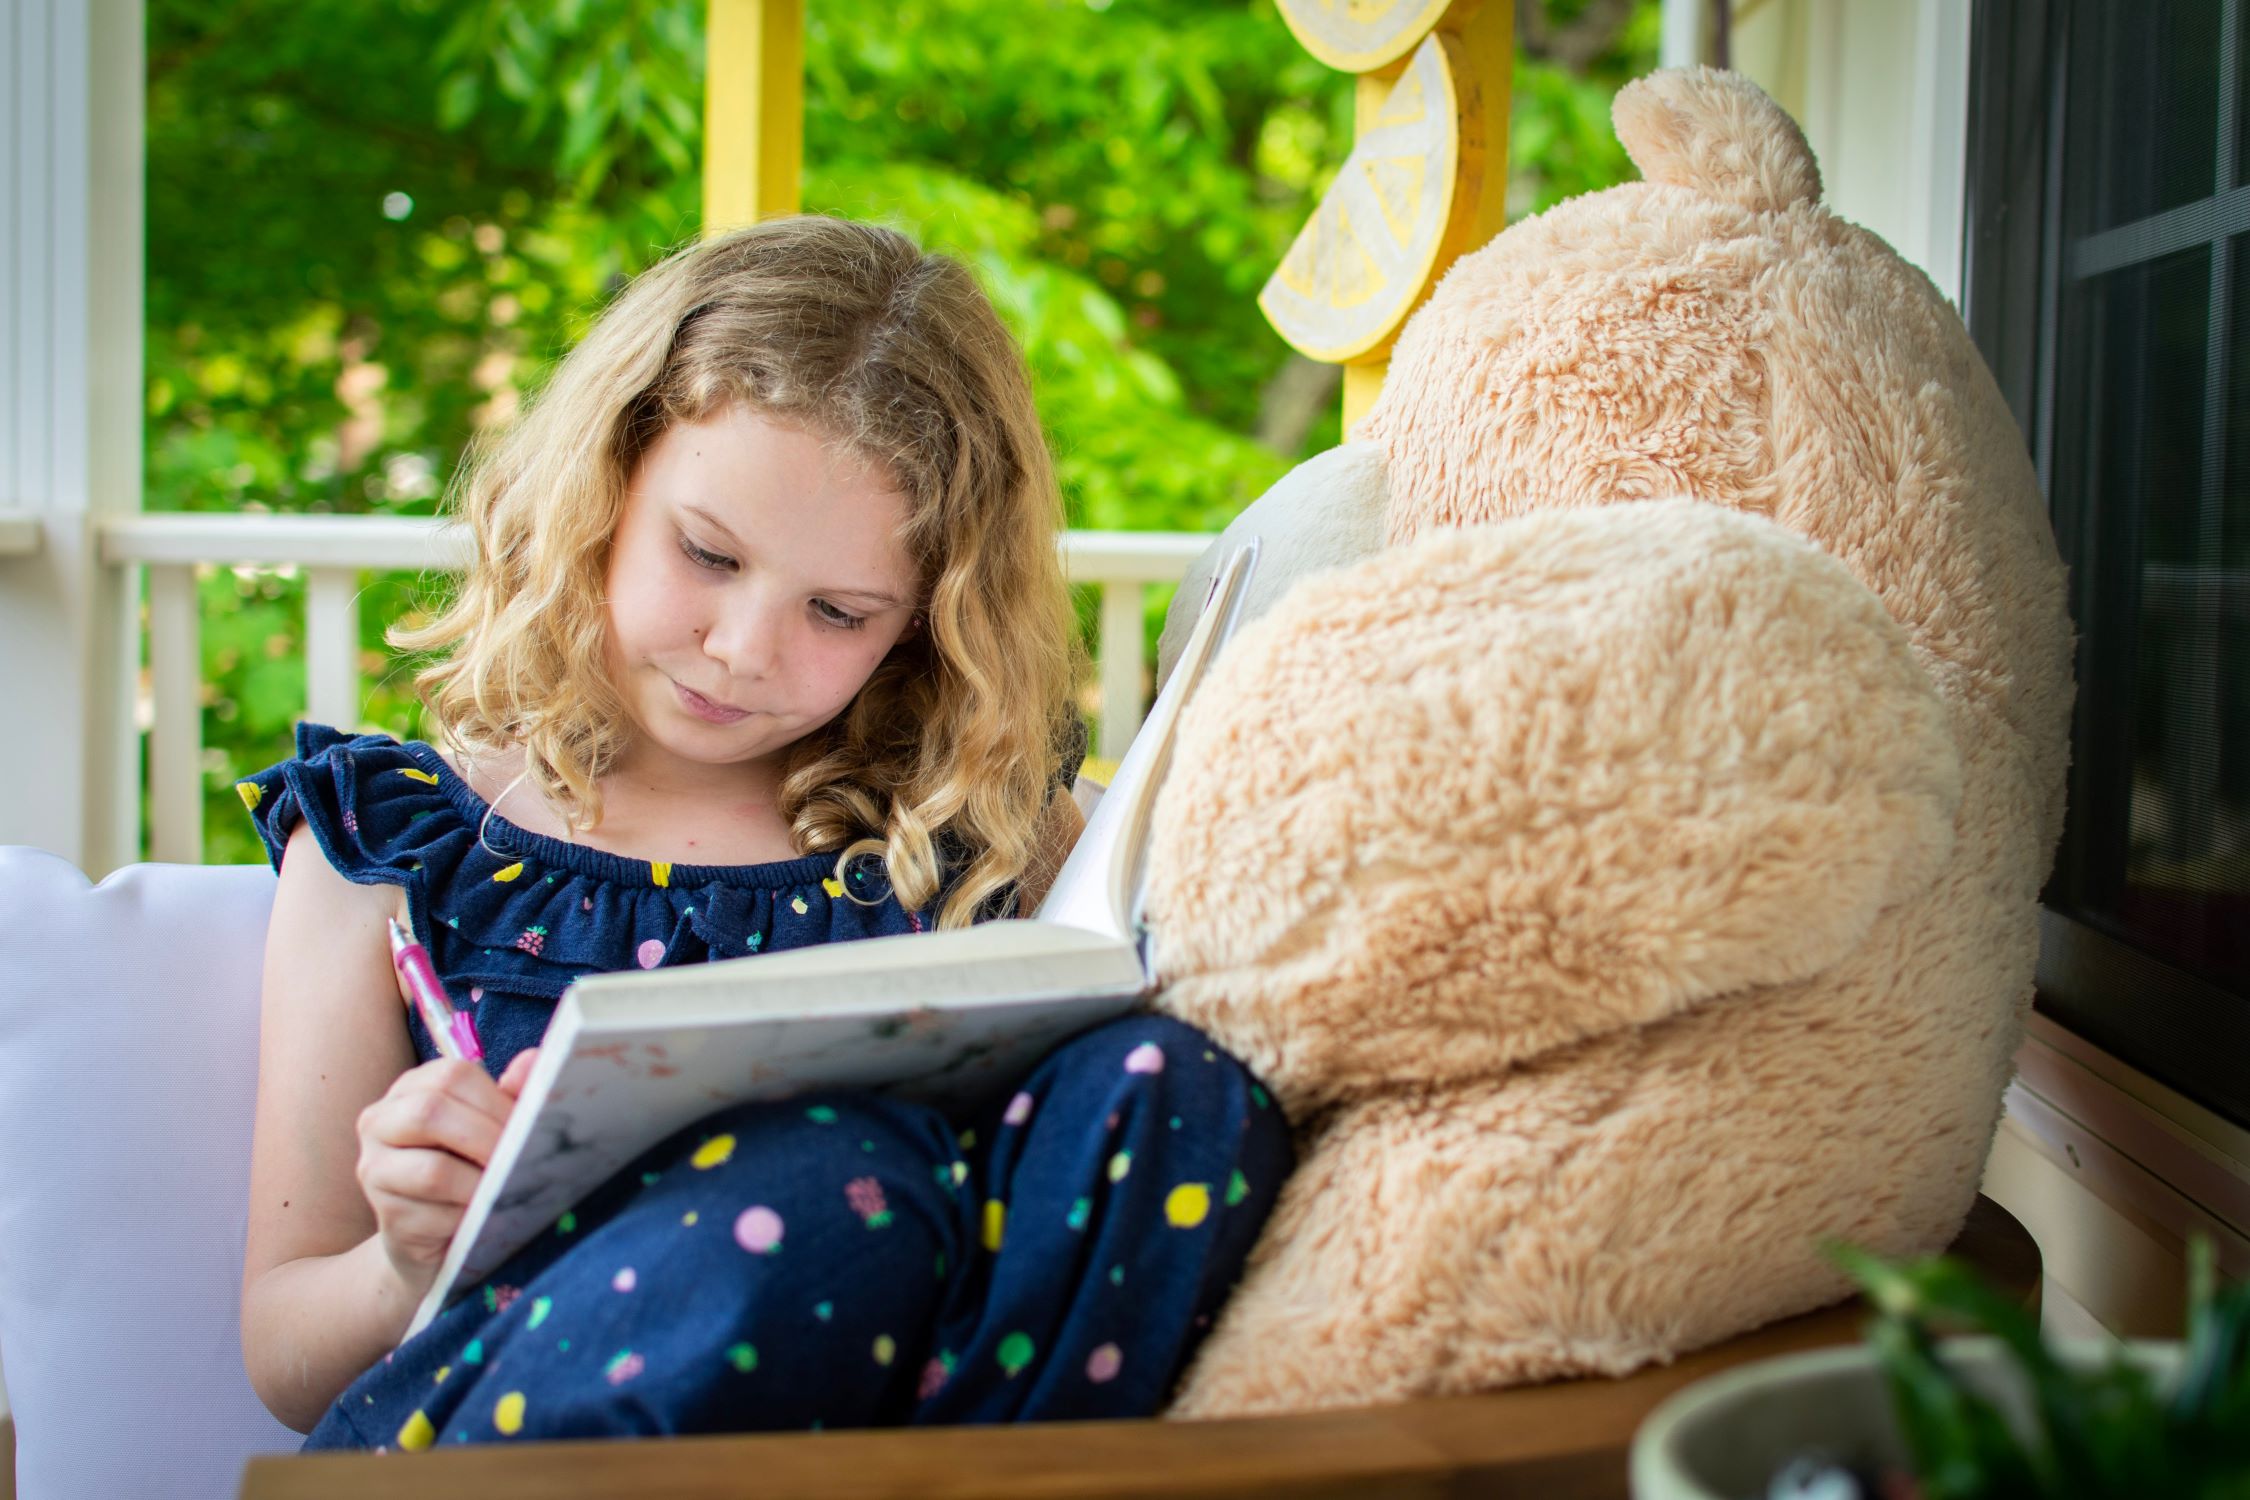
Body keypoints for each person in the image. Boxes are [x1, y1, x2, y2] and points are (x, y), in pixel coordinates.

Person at [235, 216, 1291, 1449]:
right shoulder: (400, 846)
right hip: (492, 1440)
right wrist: (404, 1264)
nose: (744, 651)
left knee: (1182, 1091)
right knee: (822, 1185)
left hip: (896, 1433)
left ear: (919, 624)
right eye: (707, 554)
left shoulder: (976, 826)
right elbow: (282, 1353)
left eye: (837, 612)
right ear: (605, 486)